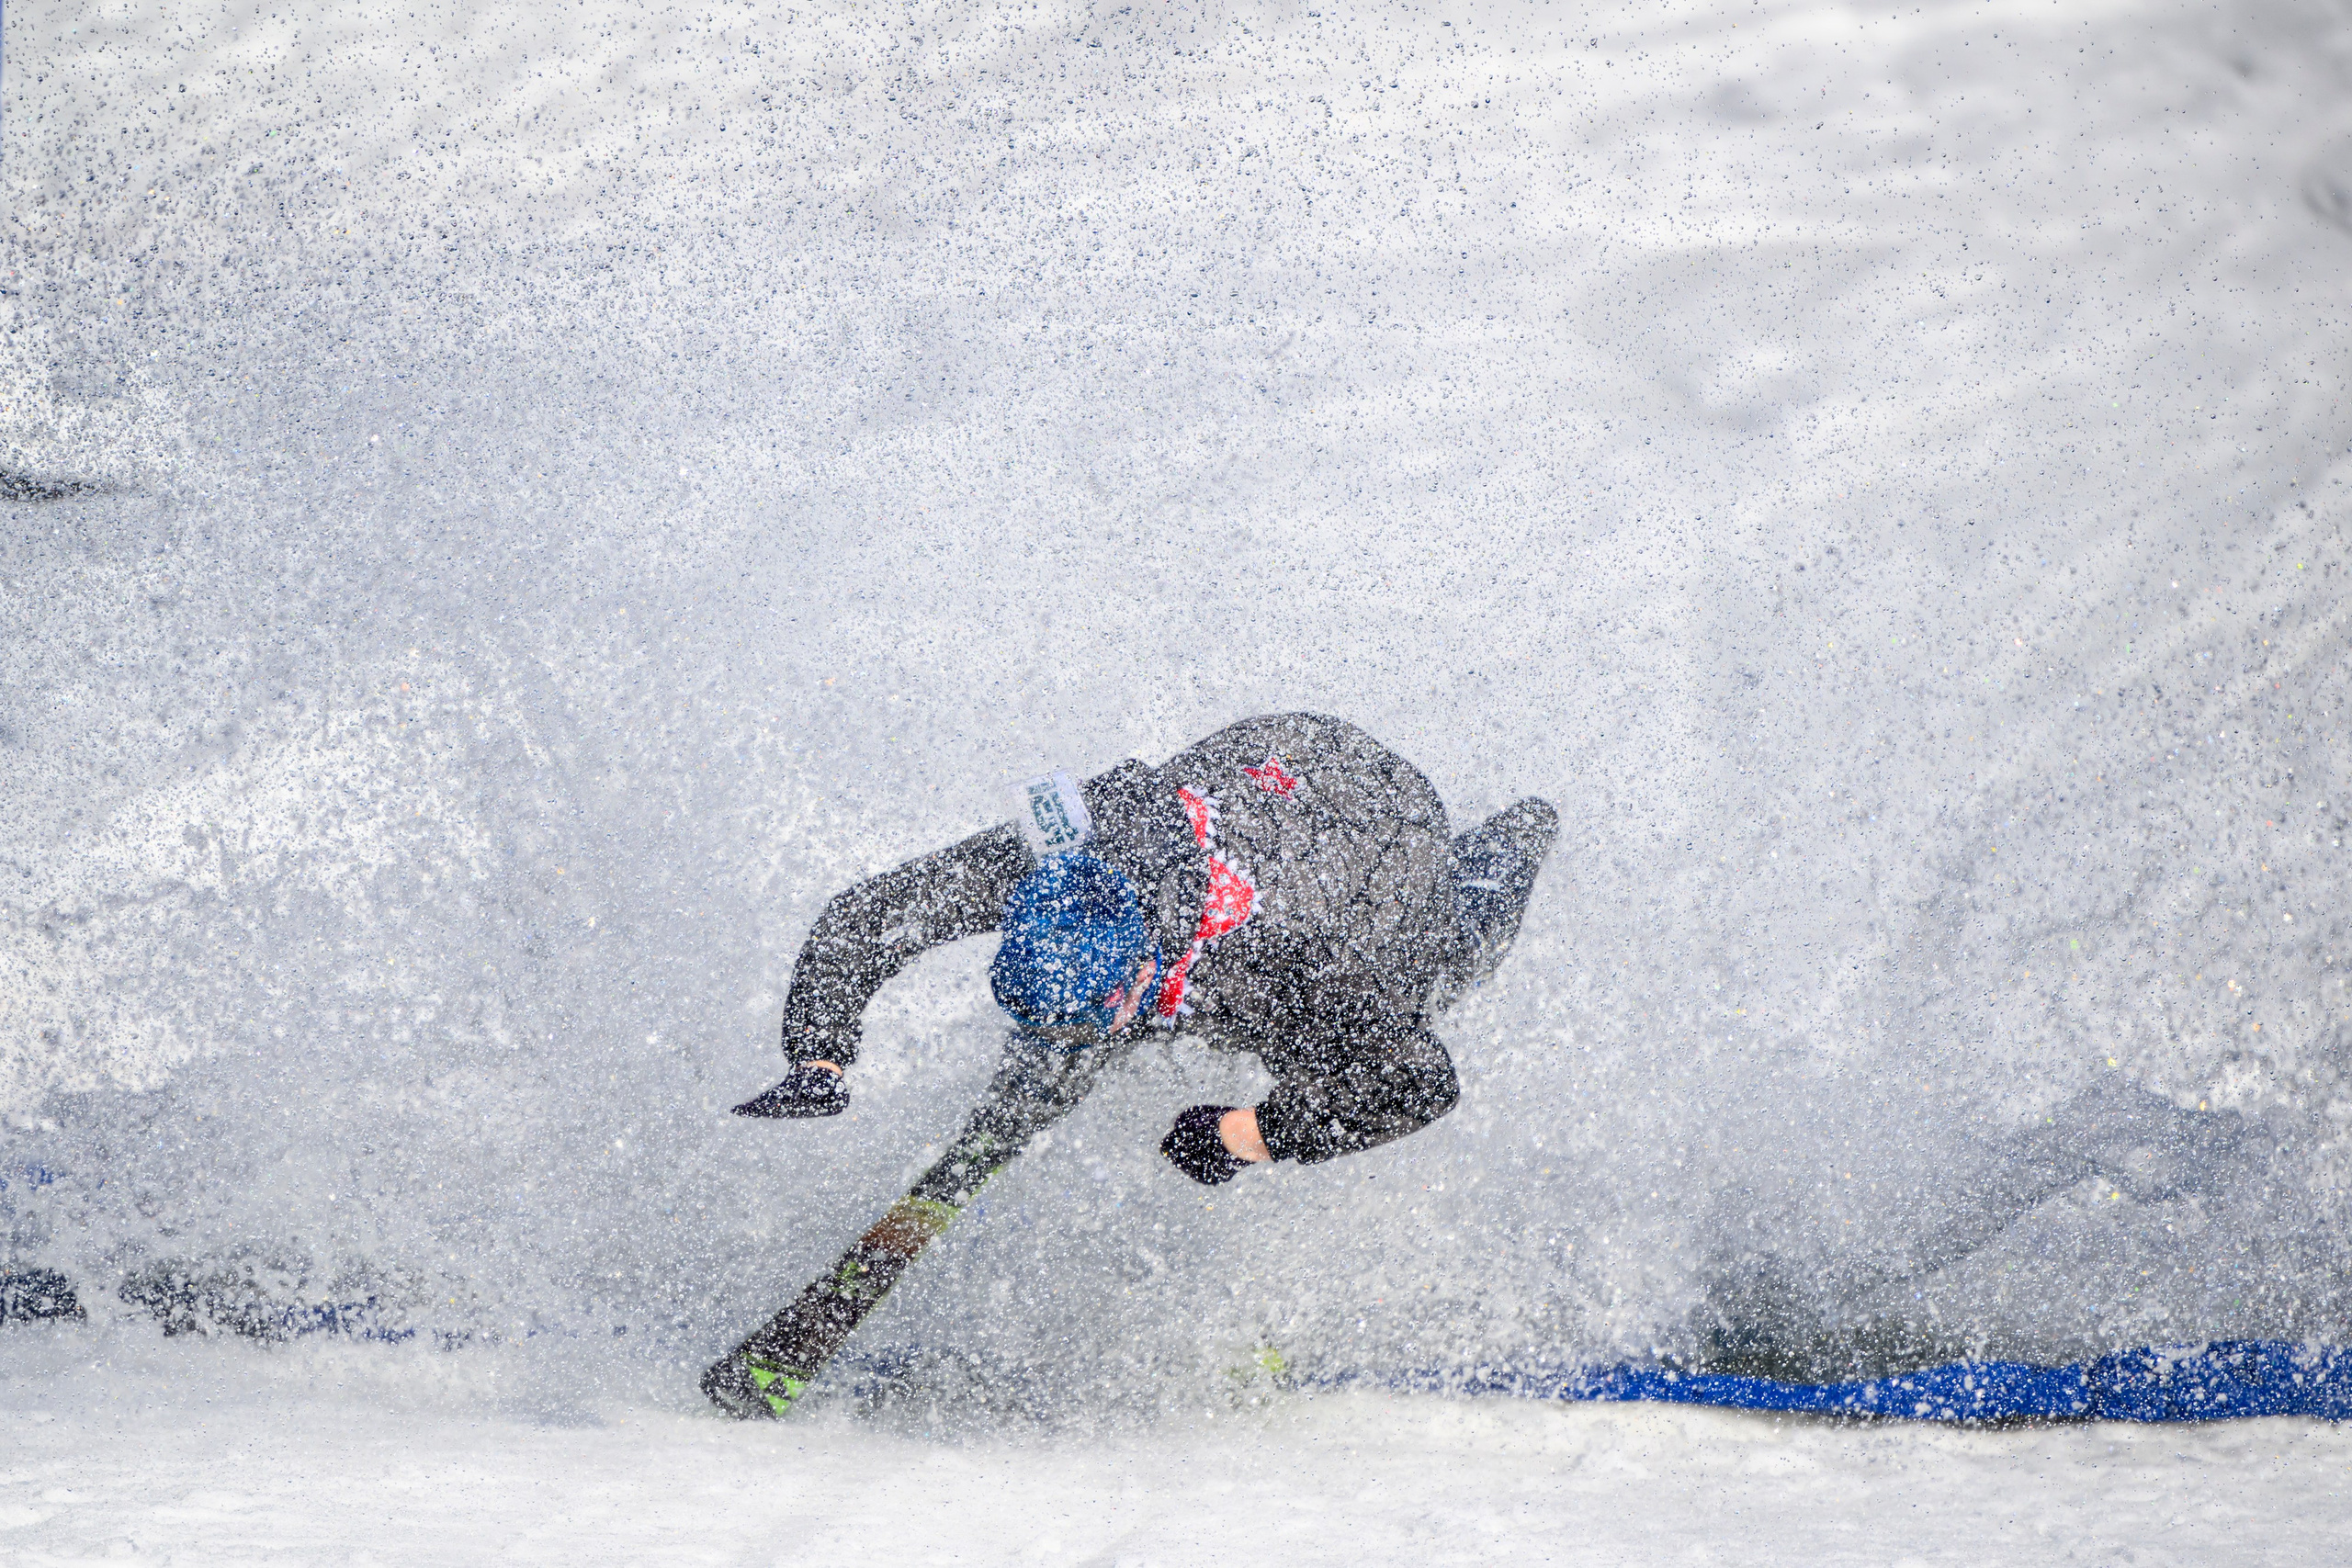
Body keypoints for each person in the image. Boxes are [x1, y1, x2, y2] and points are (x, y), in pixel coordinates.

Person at [731, 712, 1557, 1183]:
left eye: (1088, 1016)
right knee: (1065, 1053)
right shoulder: (1055, 856)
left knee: (1439, 972)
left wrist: (1243, 1132)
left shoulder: (1278, 969)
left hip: (1381, 842)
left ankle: (1512, 843)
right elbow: (868, 916)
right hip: (1279, 760)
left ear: (1138, 974)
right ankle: (1041, 1084)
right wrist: (818, 1057)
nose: (1059, 1033)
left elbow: (1418, 1083)